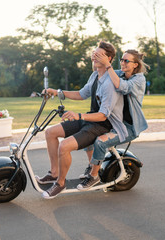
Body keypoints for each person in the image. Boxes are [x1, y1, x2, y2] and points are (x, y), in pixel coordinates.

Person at [36, 41, 128, 199]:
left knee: (64, 146)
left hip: (102, 125)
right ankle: (54, 173)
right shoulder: (95, 75)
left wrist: (78, 116)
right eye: (94, 53)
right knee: (50, 133)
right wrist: (56, 92)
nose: (95, 56)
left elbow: (103, 115)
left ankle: (60, 183)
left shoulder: (110, 83)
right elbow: (81, 94)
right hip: (90, 119)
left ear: (109, 59)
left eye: (99, 54)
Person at [77, 49, 149, 190]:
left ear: (135, 65)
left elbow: (122, 86)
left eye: (126, 61)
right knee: (88, 132)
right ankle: (92, 168)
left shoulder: (139, 79)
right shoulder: (119, 73)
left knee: (100, 142)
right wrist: (96, 59)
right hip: (116, 123)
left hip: (128, 127)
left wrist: (108, 66)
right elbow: (100, 71)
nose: (122, 62)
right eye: (121, 60)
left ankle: (93, 177)